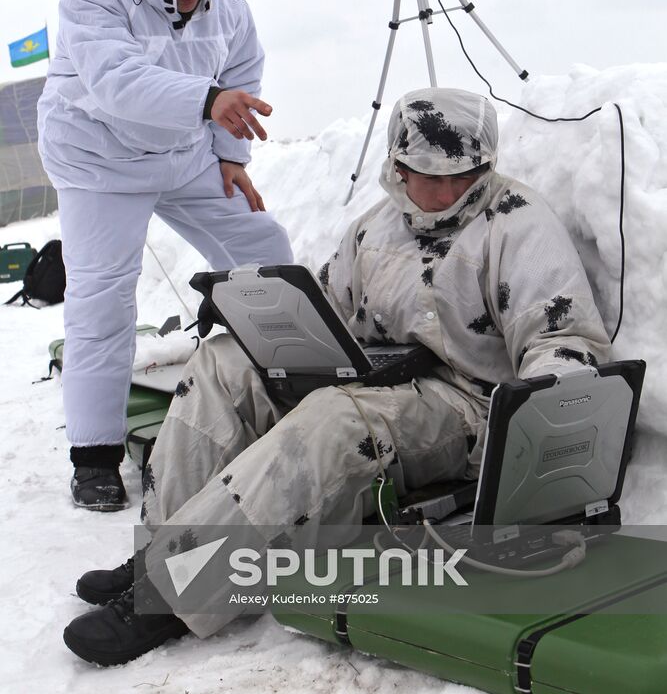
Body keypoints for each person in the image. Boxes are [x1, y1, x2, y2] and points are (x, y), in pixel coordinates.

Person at [62, 87, 611, 666]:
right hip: (374, 375)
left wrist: (535, 423)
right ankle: (165, 545)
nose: (450, 192)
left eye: (466, 175)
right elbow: (326, 306)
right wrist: (256, 315)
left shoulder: (518, 225)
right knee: (224, 363)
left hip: (463, 403)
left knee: (332, 419)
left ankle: (169, 593)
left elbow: (564, 340)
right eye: (430, 177)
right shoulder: (376, 227)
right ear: (397, 170)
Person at [37, 0, 293, 512]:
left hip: (184, 153)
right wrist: (208, 102)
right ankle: (93, 456)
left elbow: (244, 69)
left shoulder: (225, 0)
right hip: (98, 160)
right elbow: (116, 80)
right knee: (102, 296)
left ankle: (293, 383)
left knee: (264, 249)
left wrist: (231, 156)